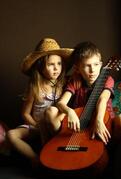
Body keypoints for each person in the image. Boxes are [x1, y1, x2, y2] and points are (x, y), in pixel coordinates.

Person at [44, 41, 121, 146]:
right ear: (77, 69)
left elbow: (102, 99)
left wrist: (98, 121)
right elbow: (61, 103)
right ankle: (62, 143)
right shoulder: (75, 81)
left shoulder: (107, 79)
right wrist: (70, 112)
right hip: (80, 123)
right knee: (51, 111)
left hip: (103, 121)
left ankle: (109, 145)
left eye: (95, 65)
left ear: (100, 65)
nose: (92, 70)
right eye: (87, 66)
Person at [7, 38, 73, 166]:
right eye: (51, 65)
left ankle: (51, 156)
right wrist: (37, 125)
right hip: (37, 125)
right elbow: (25, 113)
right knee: (11, 135)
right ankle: (36, 159)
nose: (56, 68)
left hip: (56, 125)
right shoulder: (35, 87)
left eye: (59, 64)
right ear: (41, 67)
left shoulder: (64, 84)